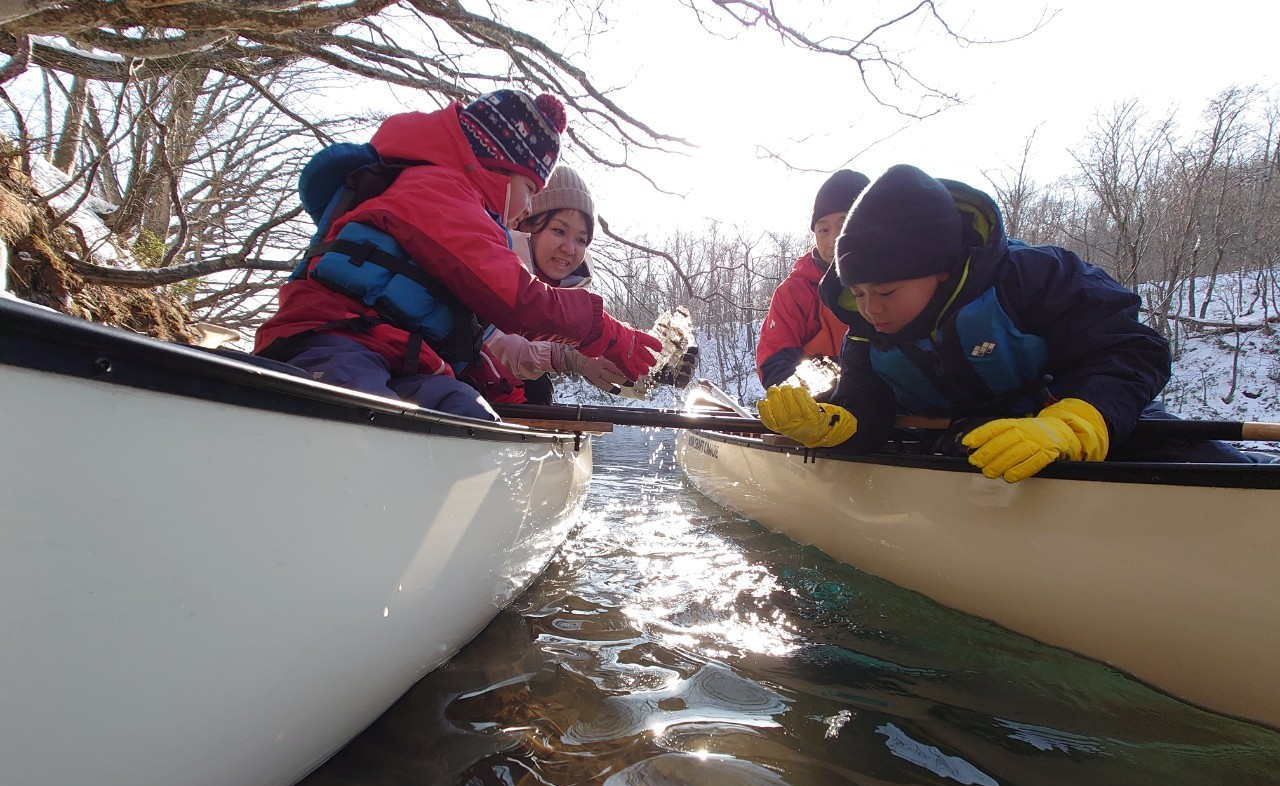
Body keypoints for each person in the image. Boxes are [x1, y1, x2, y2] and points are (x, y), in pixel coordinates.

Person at [757, 163, 1181, 482]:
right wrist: (837, 425)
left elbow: (1132, 350)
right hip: (957, 447)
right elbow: (867, 404)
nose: (870, 310)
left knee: (1203, 456)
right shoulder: (866, 330)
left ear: (940, 270)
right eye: (861, 293)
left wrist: (1073, 424)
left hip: (1085, 431)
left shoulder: (1034, 277)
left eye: (885, 293)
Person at [253, 89, 660, 420]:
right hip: (337, 339)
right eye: (528, 192)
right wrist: (606, 333)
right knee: (358, 407)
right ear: (500, 167)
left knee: (468, 413)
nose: (523, 210)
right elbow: (520, 303)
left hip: (407, 359)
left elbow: (480, 341)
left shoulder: (471, 209)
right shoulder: (438, 190)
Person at [485, 164, 630, 403]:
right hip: (467, 381)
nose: (569, 248)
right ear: (527, 225)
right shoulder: (492, 260)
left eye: (581, 239)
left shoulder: (574, 291)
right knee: (537, 386)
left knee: (540, 387)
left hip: (513, 391)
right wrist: (569, 356)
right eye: (559, 231)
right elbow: (494, 342)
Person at [755, 169, 869, 395]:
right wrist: (833, 392)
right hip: (820, 410)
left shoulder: (898, 282)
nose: (834, 240)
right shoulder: (793, 292)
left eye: (845, 225)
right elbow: (774, 365)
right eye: (823, 230)